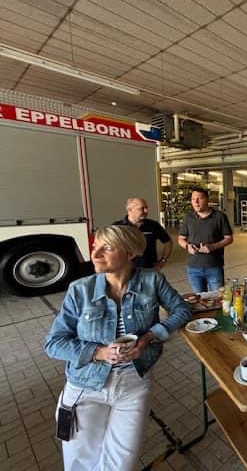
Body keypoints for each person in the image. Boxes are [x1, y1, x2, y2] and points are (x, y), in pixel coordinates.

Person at [44, 225, 191, 471]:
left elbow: (182, 310)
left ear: (130, 253)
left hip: (134, 384)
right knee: (79, 462)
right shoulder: (80, 290)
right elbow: (53, 343)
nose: (95, 254)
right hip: (85, 385)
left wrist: (149, 337)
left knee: (120, 464)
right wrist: (99, 352)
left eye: (107, 248)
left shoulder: (152, 280)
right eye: (95, 247)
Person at [178, 188, 233, 293]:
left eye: (200, 198)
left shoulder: (220, 217)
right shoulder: (188, 218)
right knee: (199, 299)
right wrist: (187, 246)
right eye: (193, 199)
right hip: (193, 268)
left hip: (214, 266)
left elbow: (229, 238)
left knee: (217, 297)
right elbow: (181, 238)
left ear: (207, 199)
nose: (196, 202)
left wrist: (213, 246)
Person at [113, 197, 172, 269]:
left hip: (149, 269)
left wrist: (163, 261)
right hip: (125, 270)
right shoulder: (117, 227)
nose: (146, 211)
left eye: (146, 208)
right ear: (130, 210)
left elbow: (168, 242)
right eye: (141, 208)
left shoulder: (153, 225)